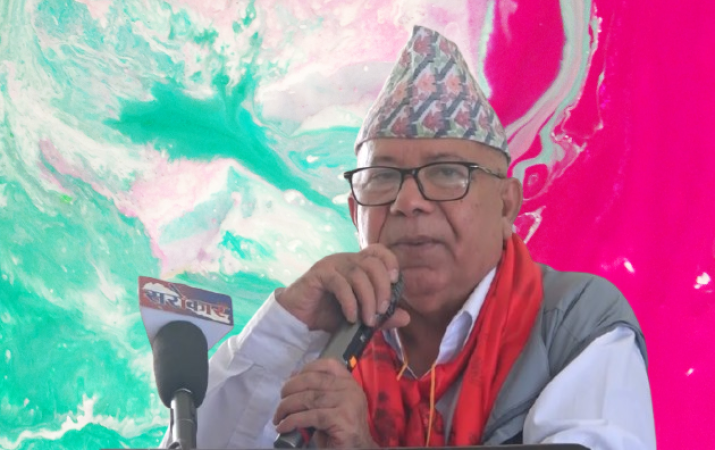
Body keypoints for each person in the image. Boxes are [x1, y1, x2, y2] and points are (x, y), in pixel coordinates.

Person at [162, 25, 656, 449]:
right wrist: (288, 323)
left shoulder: (575, 322)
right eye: (382, 179)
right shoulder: (321, 334)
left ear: (508, 204)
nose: (407, 202)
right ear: (355, 212)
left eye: (447, 173)